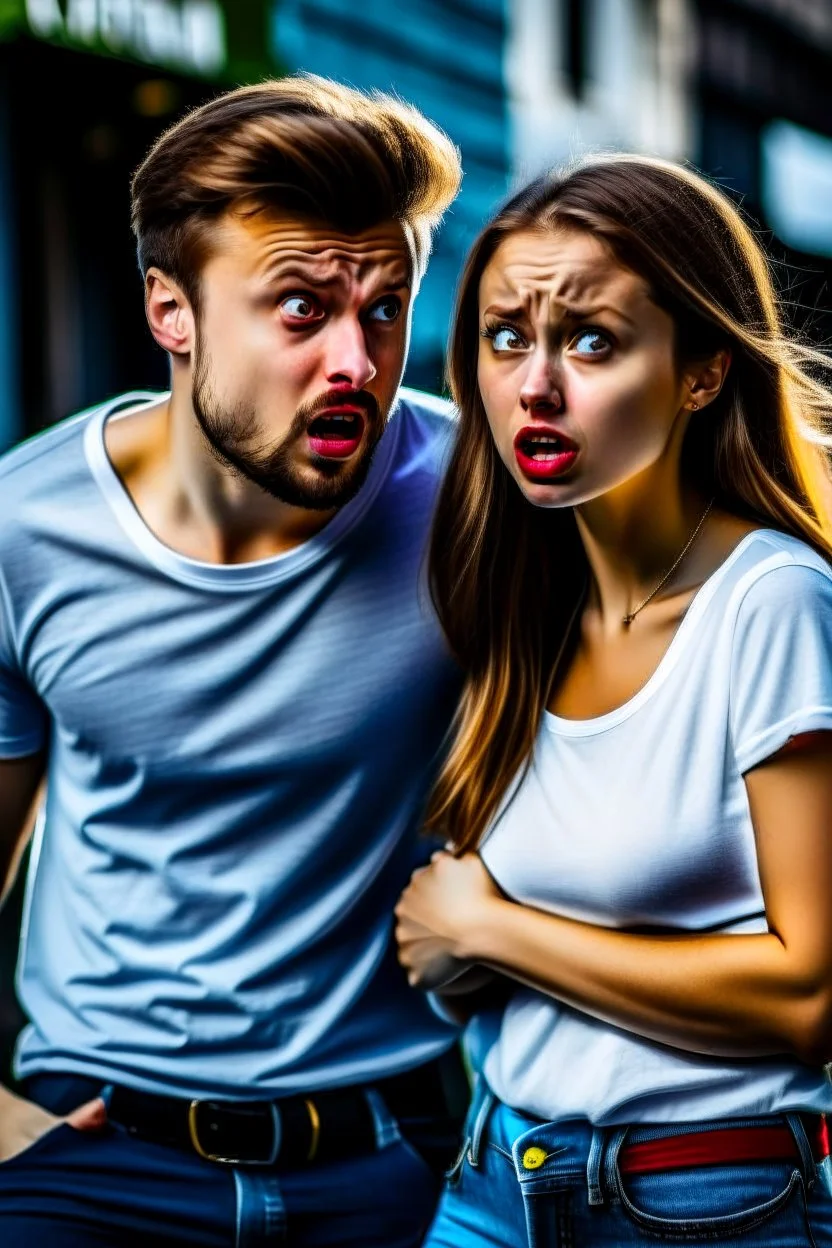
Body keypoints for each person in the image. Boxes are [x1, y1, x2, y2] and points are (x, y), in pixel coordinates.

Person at [0, 75, 468, 1247]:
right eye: (302, 311)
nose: (357, 361)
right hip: (88, 1159)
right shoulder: (24, 530)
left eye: (385, 307)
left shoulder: (484, 501)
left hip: (391, 1168)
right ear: (172, 313)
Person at [395, 155, 832, 1247]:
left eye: (590, 340)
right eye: (506, 338)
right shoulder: (515, 609)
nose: (536, 386)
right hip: (495, 1178)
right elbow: (455, 951)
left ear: (699, 371)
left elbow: (809, 991)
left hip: (706, 1201)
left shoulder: (771, 603)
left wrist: (493, 929)